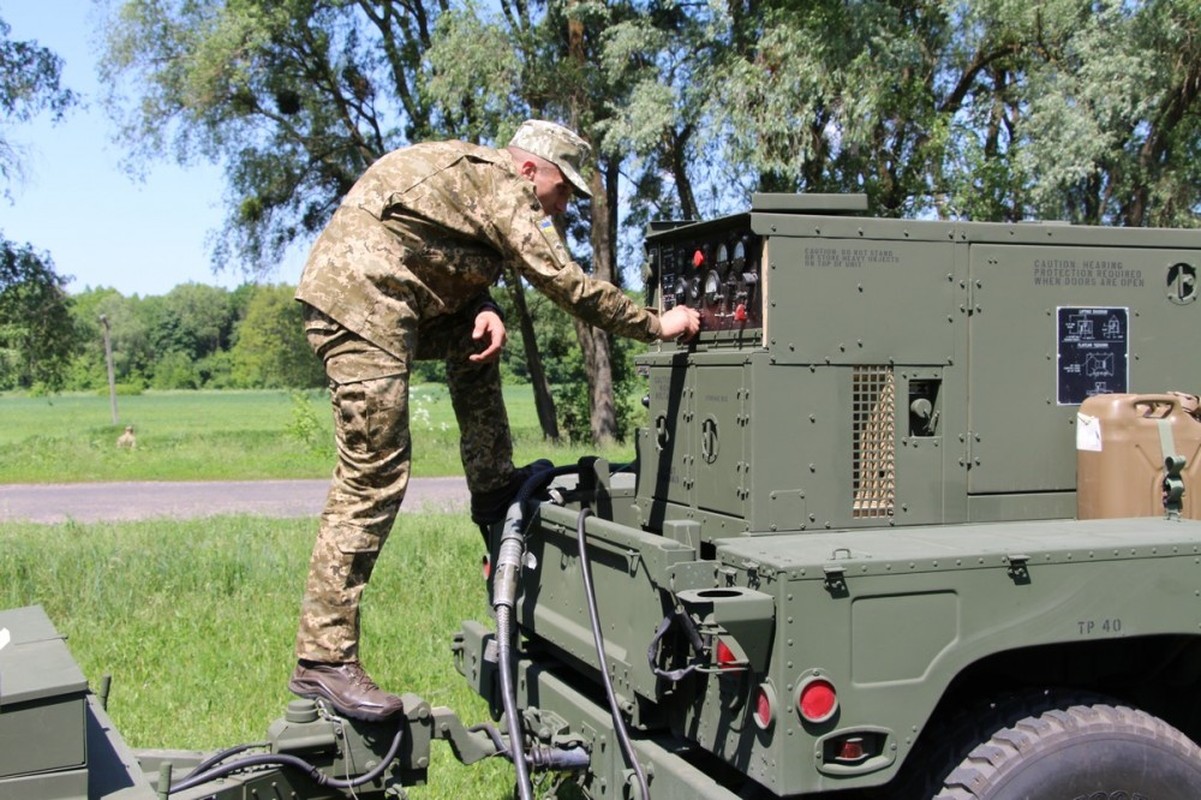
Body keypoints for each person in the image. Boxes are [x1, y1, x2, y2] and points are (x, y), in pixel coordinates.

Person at [288, 119, 701, 721]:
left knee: (478, 340)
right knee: (373, 474)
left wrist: (481, 305)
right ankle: (323, 659)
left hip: (378, 295)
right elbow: (564, 281)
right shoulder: (504, 182)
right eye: (563, 193)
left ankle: (492, 483)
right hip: (362, 305)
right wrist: (654, 324)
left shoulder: (472, 180)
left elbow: (425, 247)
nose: (562, 210)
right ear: (532, 168)